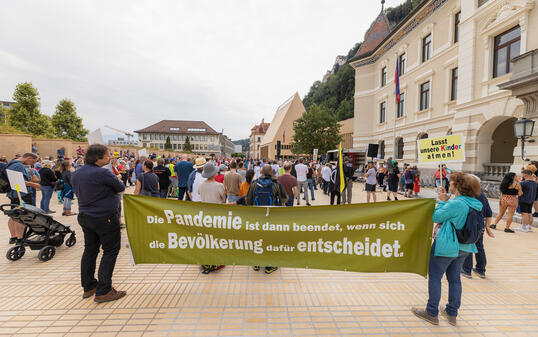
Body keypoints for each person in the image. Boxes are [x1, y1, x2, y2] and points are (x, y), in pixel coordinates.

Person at [411, 172, 482, 326]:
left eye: (451, 183)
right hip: (465, 247)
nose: (449, 185)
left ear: (458, 186)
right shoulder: (475, 203)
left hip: (447, 245)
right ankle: (451, 312)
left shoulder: (456, 203)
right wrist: (446, 199)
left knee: (435, 277)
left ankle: (431, 312)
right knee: (455, 279)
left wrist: (442, 202)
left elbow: (436, 217)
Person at [71, 144, 126, 303]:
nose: (110, 158)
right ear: (98, 157)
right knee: (110, 251)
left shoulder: (77, 172)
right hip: (104, 217)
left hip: (85, 216)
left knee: (90, 250)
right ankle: (104, 290)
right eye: (108, 155)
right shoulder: (103, 173)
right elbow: (120, 187)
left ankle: (89, 286)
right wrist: (117, 178)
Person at [246, 165, 287, 273]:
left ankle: (256, 263)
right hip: (271, 217)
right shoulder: (276, 184)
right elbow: (283, 201)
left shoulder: (254, 184)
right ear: (271, 172)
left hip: (257, 218)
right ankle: (270, 265)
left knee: (257, 239)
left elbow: (248, 201)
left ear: (261, 172)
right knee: (271, 240)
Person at [461, 175, 495, 279]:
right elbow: (489, 213)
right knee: (479, 245)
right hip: (479, 225)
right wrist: (487, 227)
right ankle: (481, 269)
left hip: (468, 224)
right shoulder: (482, 196)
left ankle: (466, 270)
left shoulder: (465, 196)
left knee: (468, 245)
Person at [5, 153, 41, 244]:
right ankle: (20, 239)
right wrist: (33, 184)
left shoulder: (11, 163)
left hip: (14, 194)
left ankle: (14, 237)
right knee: (21, 216)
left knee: (13, 215)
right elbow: (19, 181)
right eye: (32, 161)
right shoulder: (19, 166)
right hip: (21, 194)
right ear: (28, 158)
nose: (31, 164)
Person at [198, 162, 227, 274]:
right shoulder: (219, 186)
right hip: (217, 216)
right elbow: (223, 200)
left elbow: (200, 195)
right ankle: (216, 262)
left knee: (207, 239)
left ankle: (206, 261)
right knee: (217, 239)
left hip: (205, 216)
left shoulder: (201, 185)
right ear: (214, 173)